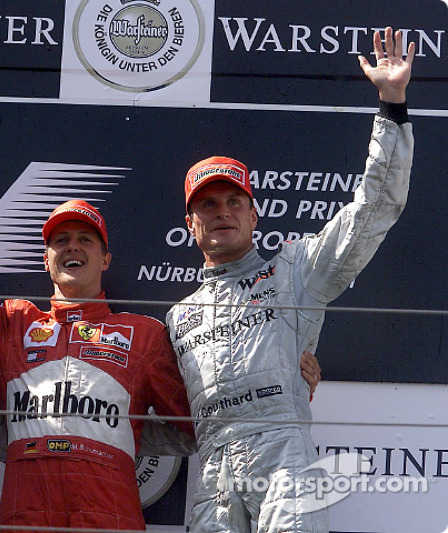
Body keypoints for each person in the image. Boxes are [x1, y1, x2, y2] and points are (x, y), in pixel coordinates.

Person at [0, 144, 322, 530]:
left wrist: (283, 379)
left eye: (85, 239)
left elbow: (201, 420)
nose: (73, 247)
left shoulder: (145, 335)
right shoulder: (13, 321)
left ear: (105, 259)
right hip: (26, 511)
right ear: (45, 260)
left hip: (110, 513)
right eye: (61, 241)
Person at [165, 27, 414, 532]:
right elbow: (160, 415)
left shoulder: (296, 269)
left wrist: (391, 105)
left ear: (254, 215)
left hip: (284, 456)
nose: (222, 212)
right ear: (191, 225)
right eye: (207, 205)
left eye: (234, 201)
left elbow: (373, 209)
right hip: (211, 472)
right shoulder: (178, 316)